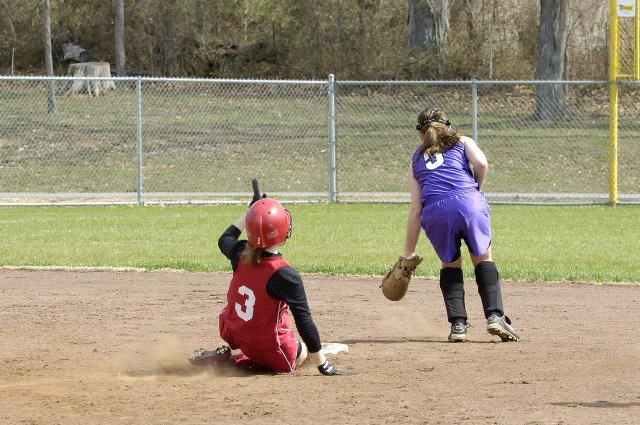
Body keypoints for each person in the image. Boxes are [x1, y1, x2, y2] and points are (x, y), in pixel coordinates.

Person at [189, 193, 350, 375]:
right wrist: (323, 364)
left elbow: (225, 238)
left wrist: (251, 212)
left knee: (268, 322)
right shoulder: (284, 275)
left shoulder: (240, 253)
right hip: (263, 345)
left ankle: (237, 355)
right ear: (281, 232)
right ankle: (235, 362)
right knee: (301, 353)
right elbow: (305, 323)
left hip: (234, 332)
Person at [400, 107, 520, 343]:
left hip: (436, 211)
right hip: (469, 202)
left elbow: (415, 209)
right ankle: (495, 316)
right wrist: (476, 190)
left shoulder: (415, 159)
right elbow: (482, 164)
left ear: (421, 133)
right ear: (448, 126)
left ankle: (458, 324)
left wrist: (409, 252)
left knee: (450, 264)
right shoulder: (462, 142)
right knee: (483, 259)